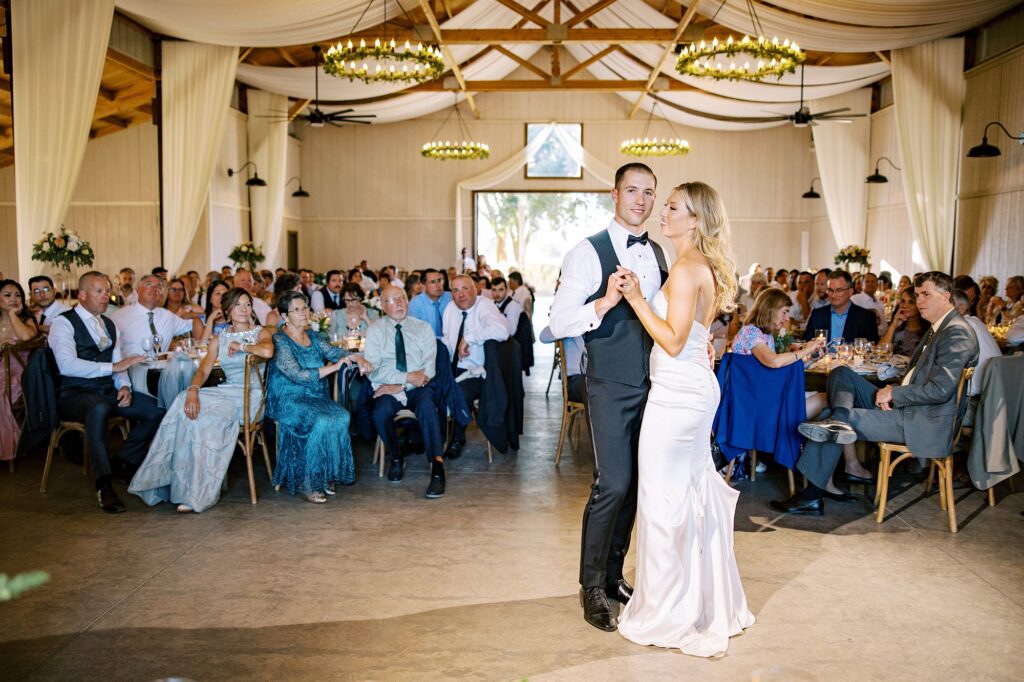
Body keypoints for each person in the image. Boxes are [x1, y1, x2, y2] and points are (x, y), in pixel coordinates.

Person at [614, 180, 754, 656]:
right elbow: (694, 335)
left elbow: (673, 341)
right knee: (689, 495)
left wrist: (636, 298)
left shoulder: (686, 267)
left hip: (677, 396)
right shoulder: (699, 265)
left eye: (672, 207)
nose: (662, 212)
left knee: (662, 502)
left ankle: (667, 611)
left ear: (695, 220)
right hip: (691, 388)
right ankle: (700, 601)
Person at [548, 163, 670, 633]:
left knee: (638, 485)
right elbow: (558, 323)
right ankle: (591, 586)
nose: (641, 200)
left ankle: (614, 575)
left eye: (649, 192)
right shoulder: (587, 252)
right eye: (632, 190)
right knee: (613, 484)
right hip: (609, 384)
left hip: (656, 383)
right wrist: (603, 302)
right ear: (614, 195)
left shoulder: (656, 252)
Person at [773, 271, 980, 516]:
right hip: (908, 408)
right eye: (917, 295)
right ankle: (839, 423)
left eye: (926, 294)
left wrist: (895, 393)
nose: (919, 301)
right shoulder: (941, 327)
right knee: (841, 373)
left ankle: (812, 495)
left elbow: (941, 390)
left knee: (832, 417)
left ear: (946, 296)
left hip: (921, 421)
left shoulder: (956, 332)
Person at [128, 288, 274, 512]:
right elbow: (204, 371)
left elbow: (268, 351)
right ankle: (168, 482)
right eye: (238, 305)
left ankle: (197, 494)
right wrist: (193, 389)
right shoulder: (219, 339)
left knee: (202, 419)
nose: (244, 309)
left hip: (250, 398)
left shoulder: (260, 332)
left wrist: (242, 346)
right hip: (227, 392)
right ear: (228, 310)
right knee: (182, 402)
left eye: (247, 304)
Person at [48, 271, 162, 513]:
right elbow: (66, 365)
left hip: (106, 390)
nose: (105, 296)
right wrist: (113, 368)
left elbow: (119, 363)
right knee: (98, 409)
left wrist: (124, 385)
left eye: (107, 291)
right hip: (73, 394)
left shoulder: (109, 324)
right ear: (82, 295)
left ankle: (122, 461)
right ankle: (103, 484)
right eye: (98, 291)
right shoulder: (63, 323)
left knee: (156, 410)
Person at [267, 291, 370, 503]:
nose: (303, 313)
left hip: (315, 396)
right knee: (321, 420)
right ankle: (308, 481)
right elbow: (298, 375)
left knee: (341, 416)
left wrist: (356, 357)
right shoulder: (280, 340)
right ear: (285, 316)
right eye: (296, 310)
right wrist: (333, 368)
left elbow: (334, 353)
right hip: (288, 399)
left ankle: (324, 475)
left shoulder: (314, 336)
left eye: (305, 308)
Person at [364, 286, 446, 497]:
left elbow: (429, 369)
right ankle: (396, 456)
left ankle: (437, 467)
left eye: (402, 298)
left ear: (408, 301)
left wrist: (402, 385)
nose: (399, 303)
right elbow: (374, 370)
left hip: (419, 387)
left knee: (428, 407)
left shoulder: (423, 328)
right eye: (392, 300)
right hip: (390, 387)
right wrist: (406, 378)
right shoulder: (375, 330)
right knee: (380, 413)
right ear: (383, 306)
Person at [440, 274, 510, 459]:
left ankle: (457, 437)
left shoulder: (484, 305)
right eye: (455, 290)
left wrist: (469, 337)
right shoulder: (450, 308)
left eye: (465, 288)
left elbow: (502, 331)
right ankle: (426, 436)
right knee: (428, 388)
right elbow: (447, 339)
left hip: (477, 373)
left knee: (459, 392)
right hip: (452, 367)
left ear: (475, 290)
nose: (460, 294)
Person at [732, 288, 826, 413]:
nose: (787, 318)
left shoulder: (765, 335)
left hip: (764, 396)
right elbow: (773, 362)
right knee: (826, 398)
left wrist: (811, 359)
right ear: (771, 310)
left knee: (823, 397)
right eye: (784, 312)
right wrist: (807, 349)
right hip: (757, 404)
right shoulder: (750, 332)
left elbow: (778, 369)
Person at [110, 275, 194, 395]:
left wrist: (201, 316)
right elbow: (113, 356)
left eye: (159, 286)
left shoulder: (167, 316)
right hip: (134, 374)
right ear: (138, 290)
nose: (154, 289)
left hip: (164, 373)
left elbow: (193, 325)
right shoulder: (119, 317)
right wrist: (123, 385)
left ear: (162, 294)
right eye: (149, 284)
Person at [0, 280, 40, 463]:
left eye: (18, 295)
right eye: (7, 295)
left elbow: (25, 336)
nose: (13, 299)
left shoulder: (26, 320)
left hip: (16, 374)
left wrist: (12, 315)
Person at [803, 270, 879, 344]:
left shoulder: (866, 317)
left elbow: (871, 347)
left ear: (850, 292)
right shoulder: (817, 315)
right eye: (830, 290)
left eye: (839, 290)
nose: (833, 295)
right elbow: (807, 343)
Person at [952, 289, 1002, 398]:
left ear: (961, 308)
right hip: (995, 392)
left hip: (974, 396)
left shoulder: (962, 327)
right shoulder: (975, 322)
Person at [878, 286, 927, 357]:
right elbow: (879, 352)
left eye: (911, 302)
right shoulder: (896, 327)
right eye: (903, 301)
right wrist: (893, 326)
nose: (905, 306)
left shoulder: (928, 331)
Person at [408, 269, 452, 338]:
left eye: (439, 280)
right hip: (426, 342)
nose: (438, 285)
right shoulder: (415, 303)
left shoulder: (450, 297)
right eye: (433, 282)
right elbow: (413, 331)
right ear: (423, 286)